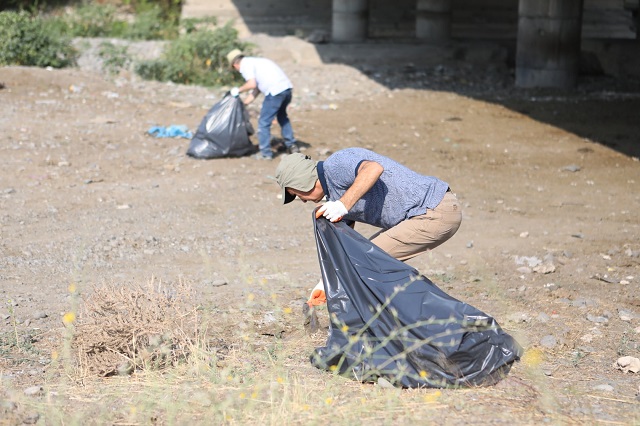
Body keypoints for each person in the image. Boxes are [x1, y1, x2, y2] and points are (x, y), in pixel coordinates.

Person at [275, 148, 462, 306]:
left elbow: (373, 168)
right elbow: (345, 246)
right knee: (361, 260)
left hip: (434, 210)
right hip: (421, 216)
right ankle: (392, 320)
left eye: (296, 193)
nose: (301, 200)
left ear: (302, 181)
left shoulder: (336, 164)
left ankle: (444, 316)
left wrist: (343, 205)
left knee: (363, 262)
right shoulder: (334, 196)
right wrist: (325, 282)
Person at [226, 49, 300, 160]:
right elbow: (256, 89)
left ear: (235, 64)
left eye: (234, 68)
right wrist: (244, 103)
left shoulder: (245, 65)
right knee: (282, 117)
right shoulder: (257, 62)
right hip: (286, 89)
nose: (237, 70)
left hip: (274, 92)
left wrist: (238, 90)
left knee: (263, 123)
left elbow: (251, 84)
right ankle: (292, 145)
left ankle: (265, 153)